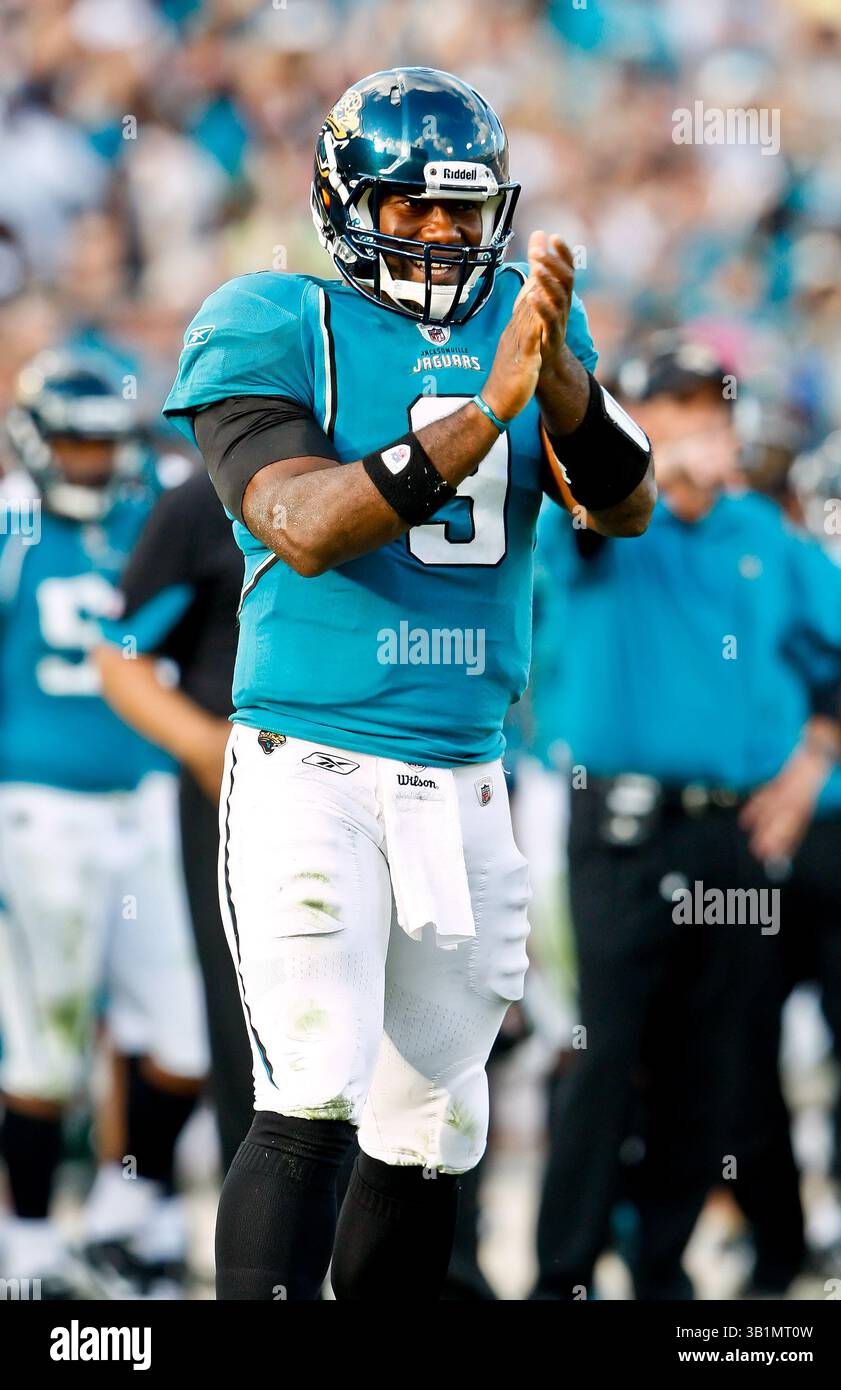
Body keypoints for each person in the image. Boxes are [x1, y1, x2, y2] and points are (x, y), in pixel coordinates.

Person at [161, 66, 655, 1301]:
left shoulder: (528, 325)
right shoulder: (273, 318)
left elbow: (624, 504)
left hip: (467, 775)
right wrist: (487, 410)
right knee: (312, 1083)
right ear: (344, 204)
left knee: (434, 1123)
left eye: (460, 209)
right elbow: (308, 521)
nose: (440, 235)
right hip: (310, 768)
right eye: (409, 208)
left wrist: (561, 390)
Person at [528, 337, 841, 1299]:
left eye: (709, 419)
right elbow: (589, 520)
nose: (701, 438)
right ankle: (561, 1275)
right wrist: (647, 465)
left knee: (705, 1064)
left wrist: (811, 764)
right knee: (602, 1055)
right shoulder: (602, 518)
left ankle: (660, 1270)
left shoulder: (759, 531)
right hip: (620, 828)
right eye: (674, 419)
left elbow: (836, 649)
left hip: (732, 830)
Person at [0, 351, 209, 1298]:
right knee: (44, 1042)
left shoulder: (148, 509)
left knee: (185, 1035)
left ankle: (137, 1217)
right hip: (40, 812)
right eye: (74, 444)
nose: (90, 463)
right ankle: (32, 1242)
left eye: (102, 444)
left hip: (148, 804)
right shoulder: (10, 523)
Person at [94, 467, 252, 1175]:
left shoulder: (385, 471)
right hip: (239, 796)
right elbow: (119, 651)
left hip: (380, 779)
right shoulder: (200, 503)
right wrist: (201, 743)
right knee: (246, 1030)